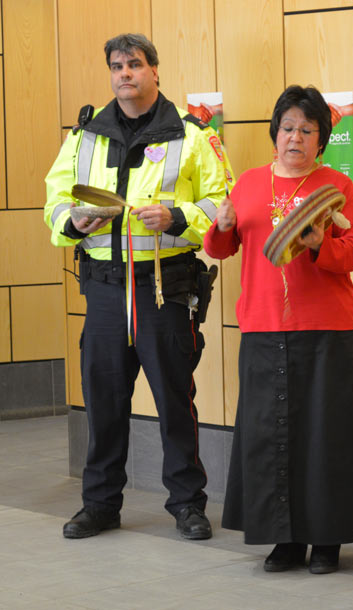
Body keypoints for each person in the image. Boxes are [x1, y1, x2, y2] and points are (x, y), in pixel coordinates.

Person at [44, 33, 234, 540]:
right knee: (103, 402)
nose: (124, 73)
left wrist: (176, 215)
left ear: (155, 71)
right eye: (116, 66)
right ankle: (100, 505)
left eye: (134, 64)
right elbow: (54, 199)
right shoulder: (85, 136)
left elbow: (223, 204)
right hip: (104, 288)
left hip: (164, 288)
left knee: (175, 400)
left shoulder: (192, 136)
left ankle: (188, 505)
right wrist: (73, 222)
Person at [204, 85, 353, 574]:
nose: (295, 137)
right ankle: (283, 540)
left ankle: (326, 541)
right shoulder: (249, 185)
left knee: (326, 438)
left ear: (321, 139)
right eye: (287, 128)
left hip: (327, 330)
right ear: (274, 134)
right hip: (262, 328)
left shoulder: (336, 186)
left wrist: (321, 244)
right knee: (268, 437)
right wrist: (219, 227)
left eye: (307, 129)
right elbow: (221, 250)